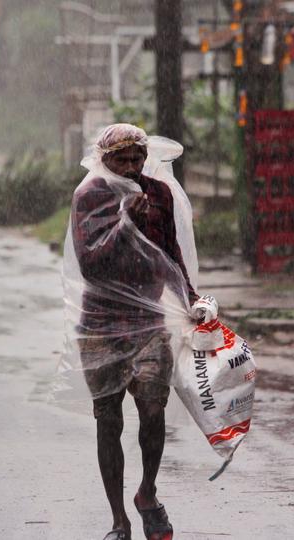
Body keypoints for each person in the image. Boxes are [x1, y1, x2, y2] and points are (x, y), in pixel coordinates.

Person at [67, 124, 201, 540]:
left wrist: (191, 298)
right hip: (101, 325)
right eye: (121, 160)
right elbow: (91, 263)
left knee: (152, 410)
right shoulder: (90, 196)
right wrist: (125, 222)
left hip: (148, 323)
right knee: (107, 419)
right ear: (103, 159)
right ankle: (118, 521)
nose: (129, 167)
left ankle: (147, 491)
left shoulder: (158, 194)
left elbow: (170, 253)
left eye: (136, 159)